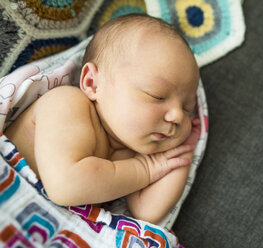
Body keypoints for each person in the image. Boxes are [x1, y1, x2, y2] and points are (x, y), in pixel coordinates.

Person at [4, 13, 201, 224]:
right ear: (92, 84)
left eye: (187, 108)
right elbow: (65, 185)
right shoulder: (66, 104)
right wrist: (146, 170)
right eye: (157, 95)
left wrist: (180, 152)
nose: (178, 116)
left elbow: (148, 212)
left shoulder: (129, 154)